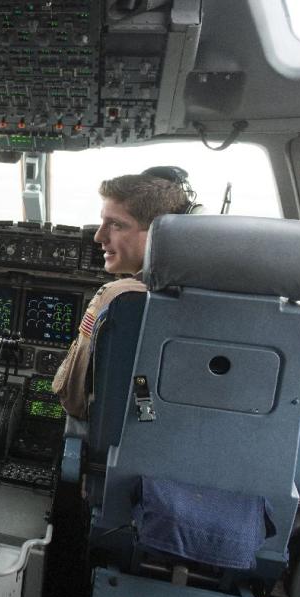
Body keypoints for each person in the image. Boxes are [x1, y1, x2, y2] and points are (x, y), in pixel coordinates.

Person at [52, 173, 190, 420]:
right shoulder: (207, 292)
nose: (99, 236)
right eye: (102, 222)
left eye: (116, 225)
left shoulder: (118, 297)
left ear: (159, 233)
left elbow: (74, 401)